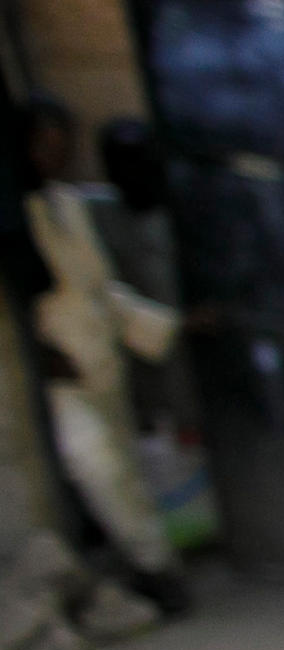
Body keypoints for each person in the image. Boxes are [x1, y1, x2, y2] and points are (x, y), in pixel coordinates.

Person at [15, 95, 188, 613]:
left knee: (124, 472)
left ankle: (152, 568)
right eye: (46, 147)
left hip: (99, 359)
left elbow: (100, 290)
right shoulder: (18, 217)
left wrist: (169, 325)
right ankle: (152, 568)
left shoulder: (66, 206)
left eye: (62, 147)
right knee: (97, 465)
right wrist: (38, 351)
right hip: (60, 371)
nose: (56, 157)